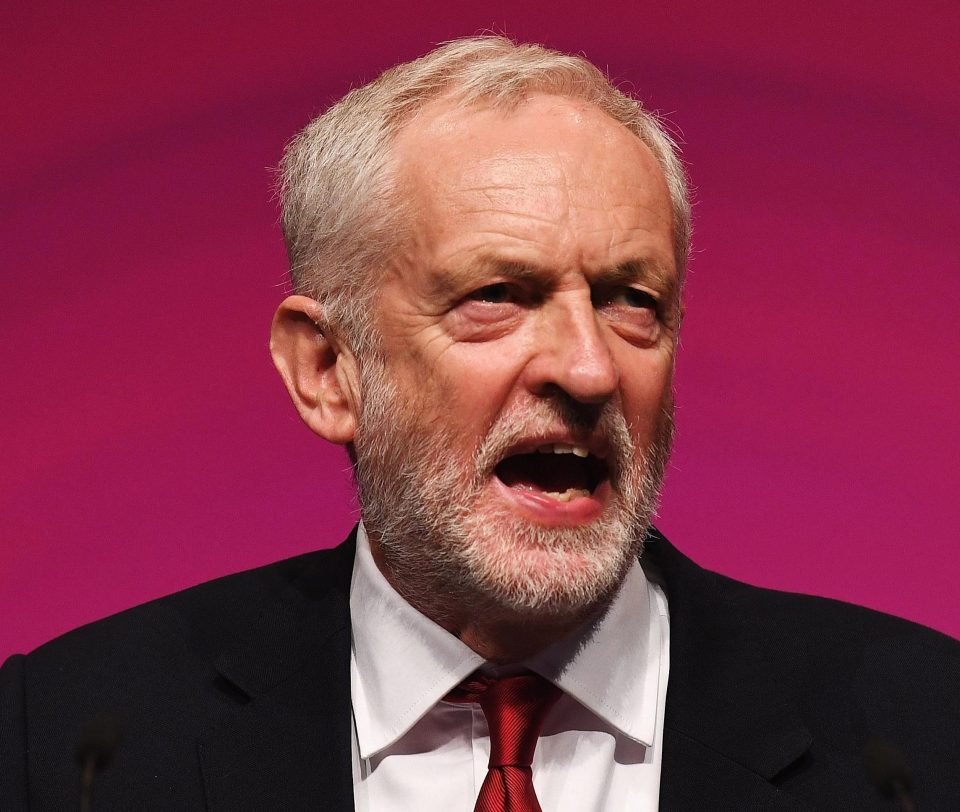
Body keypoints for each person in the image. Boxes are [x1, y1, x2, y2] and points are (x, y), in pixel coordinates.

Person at [1, 36, 958, 811]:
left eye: (633, 300)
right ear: (328, 371)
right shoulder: (67, 741)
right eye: (498, 295)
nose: (588, 367)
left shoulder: (924, 730)